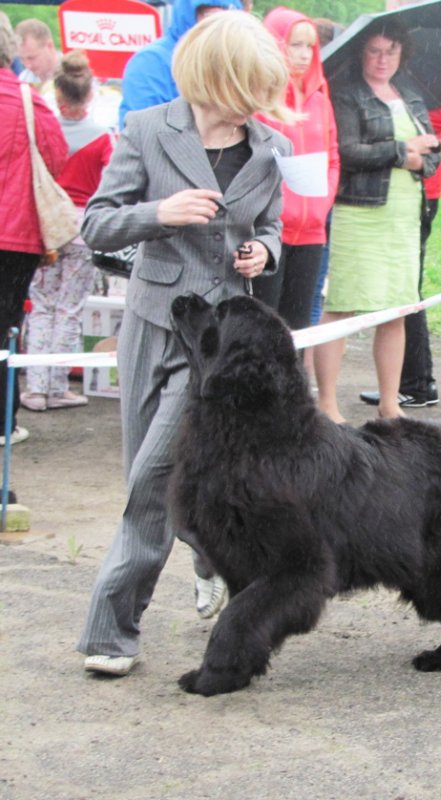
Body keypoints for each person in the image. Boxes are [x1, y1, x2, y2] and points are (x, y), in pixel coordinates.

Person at [76, 11, 293, 677]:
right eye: (248, 87)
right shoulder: (147, 129)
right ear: (216, 77)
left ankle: (111, 631)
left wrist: (264, 252)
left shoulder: (269, 148)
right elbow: (95, 225)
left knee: (151, 482)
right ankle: (214, 553)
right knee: (149, 476)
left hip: (220, 344)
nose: (257, 103)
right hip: (150, 323)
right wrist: (158, 215)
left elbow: (273, 228)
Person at [313, 18, 440, 422]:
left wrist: (418, 159)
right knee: (342, 307)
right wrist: (403, 151)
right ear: (361, 53)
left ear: (402, 54)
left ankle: (390, 403)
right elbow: (348, 151)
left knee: (397, 310)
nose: (383, 59)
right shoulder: (346, 95)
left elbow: (433, 154)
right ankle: (327, 403)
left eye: (391, 51)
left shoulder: (412, 96)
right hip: (359, 213)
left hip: (403, 218)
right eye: (374, 51)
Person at [20, 51, 114, 413]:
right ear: (90, 94)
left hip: (46, 227)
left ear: (57, 93)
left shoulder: (44, 131)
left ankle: (35, 388)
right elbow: (111, 185)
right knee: (69, 309)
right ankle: (57, 386)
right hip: (82, 229)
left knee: (41, 307)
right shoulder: (103, 138)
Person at [360, 91, 441, 408]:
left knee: (404, 289)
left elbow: (436, 128)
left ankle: (416, 382)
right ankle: (412, 381)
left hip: (416, 193)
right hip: (397, 193)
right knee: (401, 289)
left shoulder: (422, 92)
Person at [0, 26, 68, 449]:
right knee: (7, 326)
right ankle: (3, 421)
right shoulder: (28, 100)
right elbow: (56, 156)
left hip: (16, 231)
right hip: (16, 235)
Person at [254, 7, 339, 332]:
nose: (304, 55)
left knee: (299, 326)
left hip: (312, 231)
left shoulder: (321, 101)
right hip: (269, 232)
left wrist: (321, 204)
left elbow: (332, 157)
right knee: (264, 326)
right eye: (295, 45)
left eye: (310, 46)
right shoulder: (261, 99)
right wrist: (277, 208)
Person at [118, 0, 241, 129]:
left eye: (225, 16)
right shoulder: (151, 62)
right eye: (208, 15)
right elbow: (144, 132)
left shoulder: (236, 60)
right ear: (187, 14)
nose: (216, 25)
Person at [15, 18, 60, 86]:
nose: (27, 66)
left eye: (31, 58)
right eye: (22, 59)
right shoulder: (24, 79)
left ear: (49, 46)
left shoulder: (71, 75)